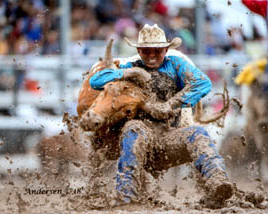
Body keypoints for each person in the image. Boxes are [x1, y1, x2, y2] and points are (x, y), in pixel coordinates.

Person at [89, 24, 233, 207]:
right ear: (139, 51)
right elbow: (96, 81)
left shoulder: (176, 65)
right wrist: (127, 72)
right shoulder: (130, 66)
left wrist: (171, 104)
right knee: (133, 129)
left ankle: (218, 184)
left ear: (166, 49)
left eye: (156, 51)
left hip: (169, 136)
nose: (151, 56)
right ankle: (126, 196)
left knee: (198, 134)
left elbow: (203, 83)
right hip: (142, 136)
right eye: (146, 51)